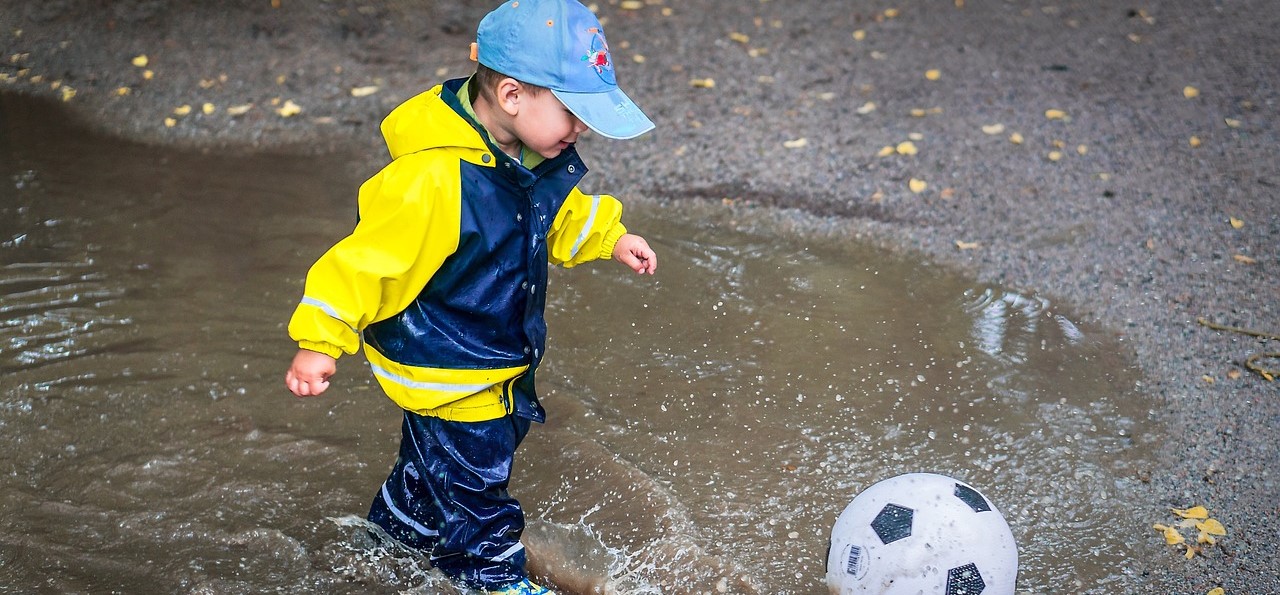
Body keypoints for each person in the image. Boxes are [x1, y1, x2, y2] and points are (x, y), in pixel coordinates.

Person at [282, 0, 657, 592]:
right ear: (511, 96)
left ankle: (388, 540)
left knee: (433, 471)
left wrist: (610, 238)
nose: (580, 130)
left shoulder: (523, 156)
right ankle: (491, 578)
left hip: (483, 358)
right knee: (479, 492)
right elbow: (363, 262)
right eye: (573, 114)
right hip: (452, 367)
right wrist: (320, 342)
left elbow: (552, 216)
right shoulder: (432, 179)